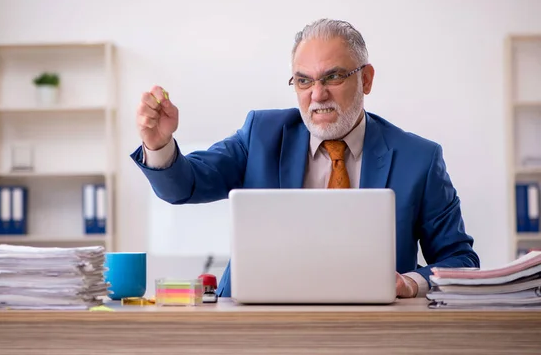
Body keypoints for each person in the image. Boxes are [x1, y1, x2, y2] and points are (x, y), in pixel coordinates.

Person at [131, 18, 480, 298]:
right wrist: (160, 145)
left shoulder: (419, 158)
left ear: (367, 79)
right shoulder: (262, 134)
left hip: (371, 330)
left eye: (333, 77)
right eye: (303, 80)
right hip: (254, 324)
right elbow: (185, 185)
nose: (317, 94)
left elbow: (460, 261)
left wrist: (410, 283)